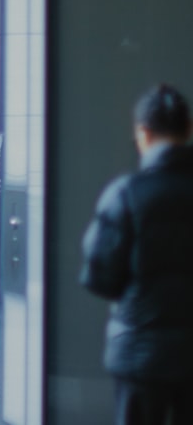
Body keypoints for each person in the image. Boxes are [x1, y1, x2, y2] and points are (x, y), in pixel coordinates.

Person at [80, 84, 193, 425]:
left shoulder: (125, 194)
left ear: (142, 133)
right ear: (189, 130)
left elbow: (99, 278)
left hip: (140, 354)